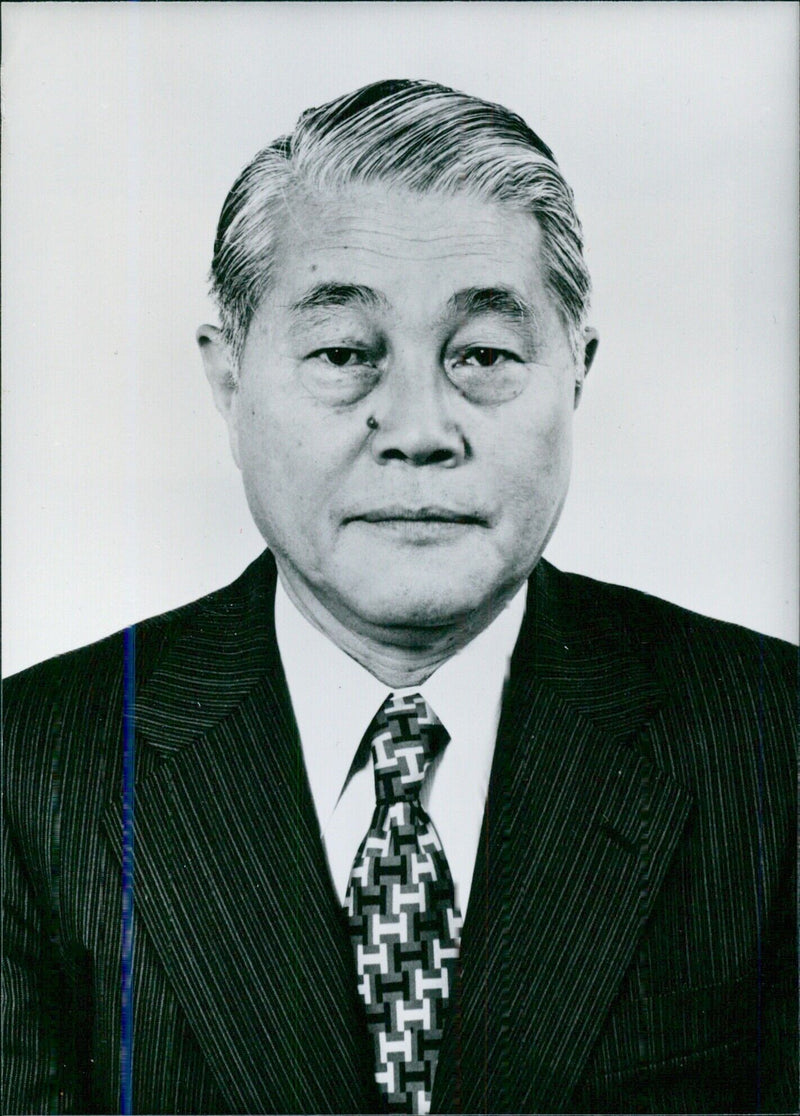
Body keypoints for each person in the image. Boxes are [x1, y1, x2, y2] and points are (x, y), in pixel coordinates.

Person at [3, 79, 795, 1116]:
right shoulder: (33, 771)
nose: (419, 426)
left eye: (482, 355)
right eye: (342, 355)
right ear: (229, 380)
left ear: (574, 373)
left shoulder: (768, 739)